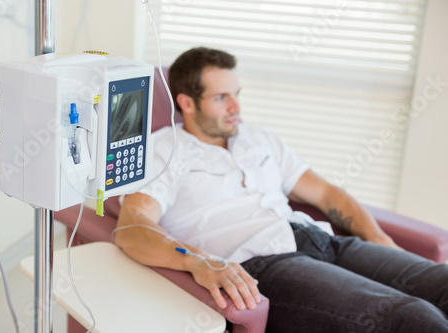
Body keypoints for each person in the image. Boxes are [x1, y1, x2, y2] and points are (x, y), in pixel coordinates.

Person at [114, 47, 448, 332]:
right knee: (413, 318)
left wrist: (381, 241)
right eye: (221, 97)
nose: (236, 107)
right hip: (265, 264)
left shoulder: (258, 138)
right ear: (186, 102)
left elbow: (327, 196)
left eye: (237, 94)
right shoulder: (163, 150)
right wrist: (199, 261)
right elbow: (132, 228)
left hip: (323, 241)